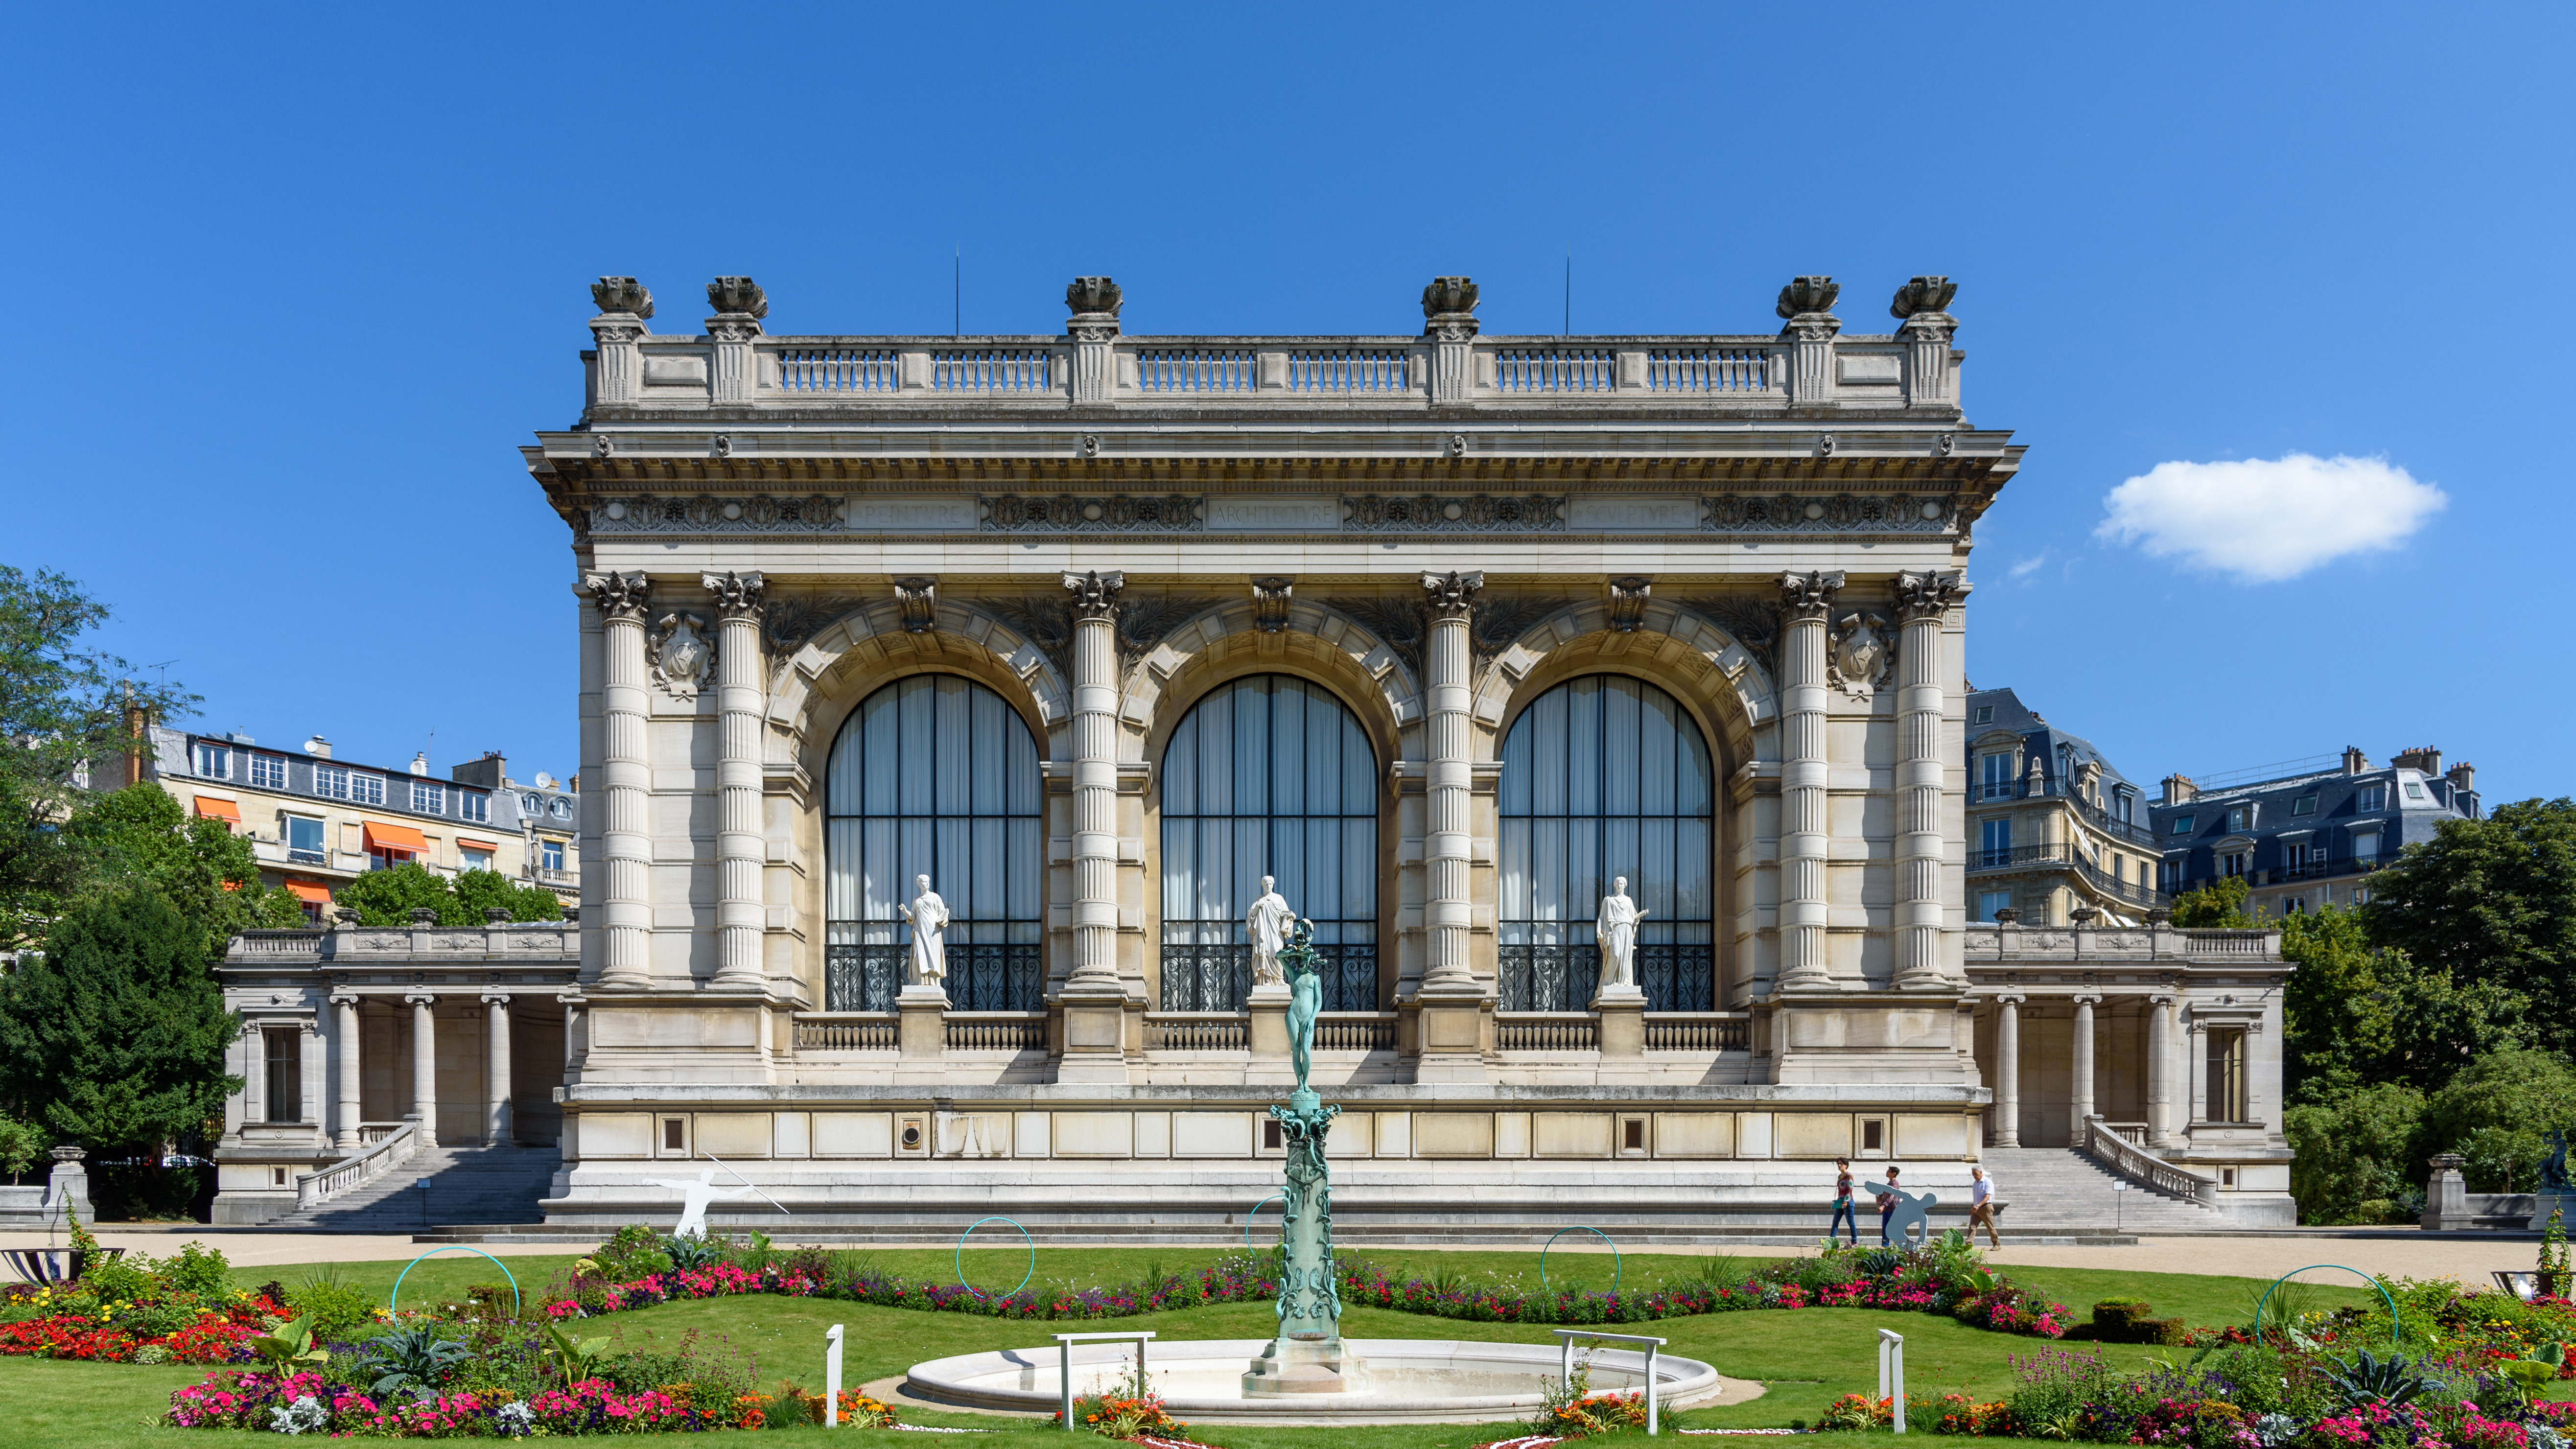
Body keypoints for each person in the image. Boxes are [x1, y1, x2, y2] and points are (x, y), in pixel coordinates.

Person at [1967, 1165, 2001, 1248]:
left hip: (1986, 1208)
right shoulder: (1976, 1183)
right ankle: (1968, 1244)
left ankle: (1996, 1244)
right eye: (1973, 1174)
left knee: (1990, 1227)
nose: (1974, 1176)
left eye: (1976, 1174)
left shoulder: (1988, 1182)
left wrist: (1978, 1205)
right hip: (1976, 1208)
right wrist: (1973, 1207)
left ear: (1981, 1172)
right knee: (1972, 1227)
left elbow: (1987, 1197)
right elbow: (1976, 1197)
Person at [1830, 1158, 1859, 1246]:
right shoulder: (1840, 1177)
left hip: (1848, 1202)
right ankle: (1832, 1241)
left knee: (1851, 1222)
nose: (1839, 1166)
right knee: (1835, 1221)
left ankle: (1854, 1242)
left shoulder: (1849, 1177)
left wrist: (1846, 1202)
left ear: (1846, 1165)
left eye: (1841, 1164)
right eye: (1838, 1164)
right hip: (1840, 1202)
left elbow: (1850, 1191)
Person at [1874, 1165, 1904, 1245]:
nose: (1887, 1172)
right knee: (1885, 1229)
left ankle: (1901, 1244)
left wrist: (1883, 1206)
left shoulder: (1895, 1184)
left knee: (1893, 1228)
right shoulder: (1889, 1184)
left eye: (1889, 1171)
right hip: (1887, 1209)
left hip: (1893, 1210)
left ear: (1894, 1174)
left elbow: (1891, 1196)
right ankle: (1885, 1245)